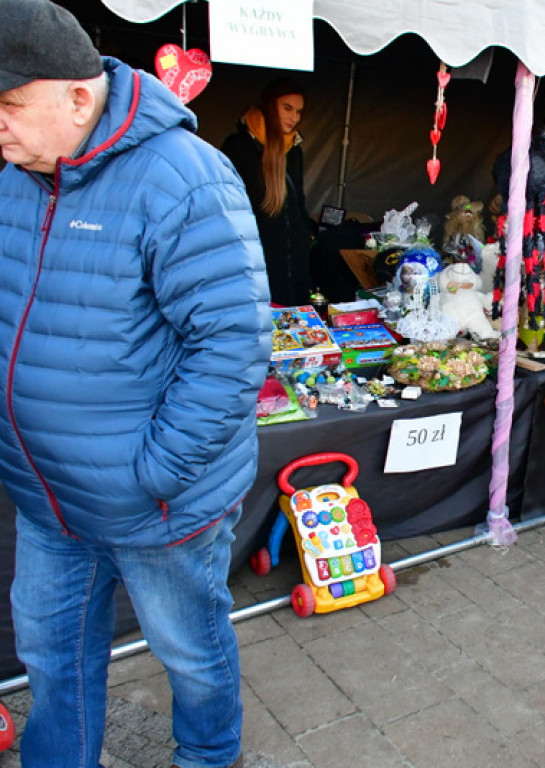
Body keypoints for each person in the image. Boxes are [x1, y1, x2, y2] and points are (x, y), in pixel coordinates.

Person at [0, 2, 271, 767]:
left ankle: (209, 758)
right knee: (53, 661)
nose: (0, 125)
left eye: (11, 105)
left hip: (152, 502)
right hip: (47, 495)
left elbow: (234, 341)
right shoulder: (15, 182)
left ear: (78, 98)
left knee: (189, 652)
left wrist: (152, 474)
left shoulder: (182, 177)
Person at [222, 77, 314, 306]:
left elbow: (298, 202)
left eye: (299, 112)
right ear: (271, 105)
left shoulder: (294, 150)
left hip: (294, 260)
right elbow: (227, 206)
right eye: (287, 108)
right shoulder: (239, 146)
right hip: (255, 258)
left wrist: (306, 234)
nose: (294, 118)